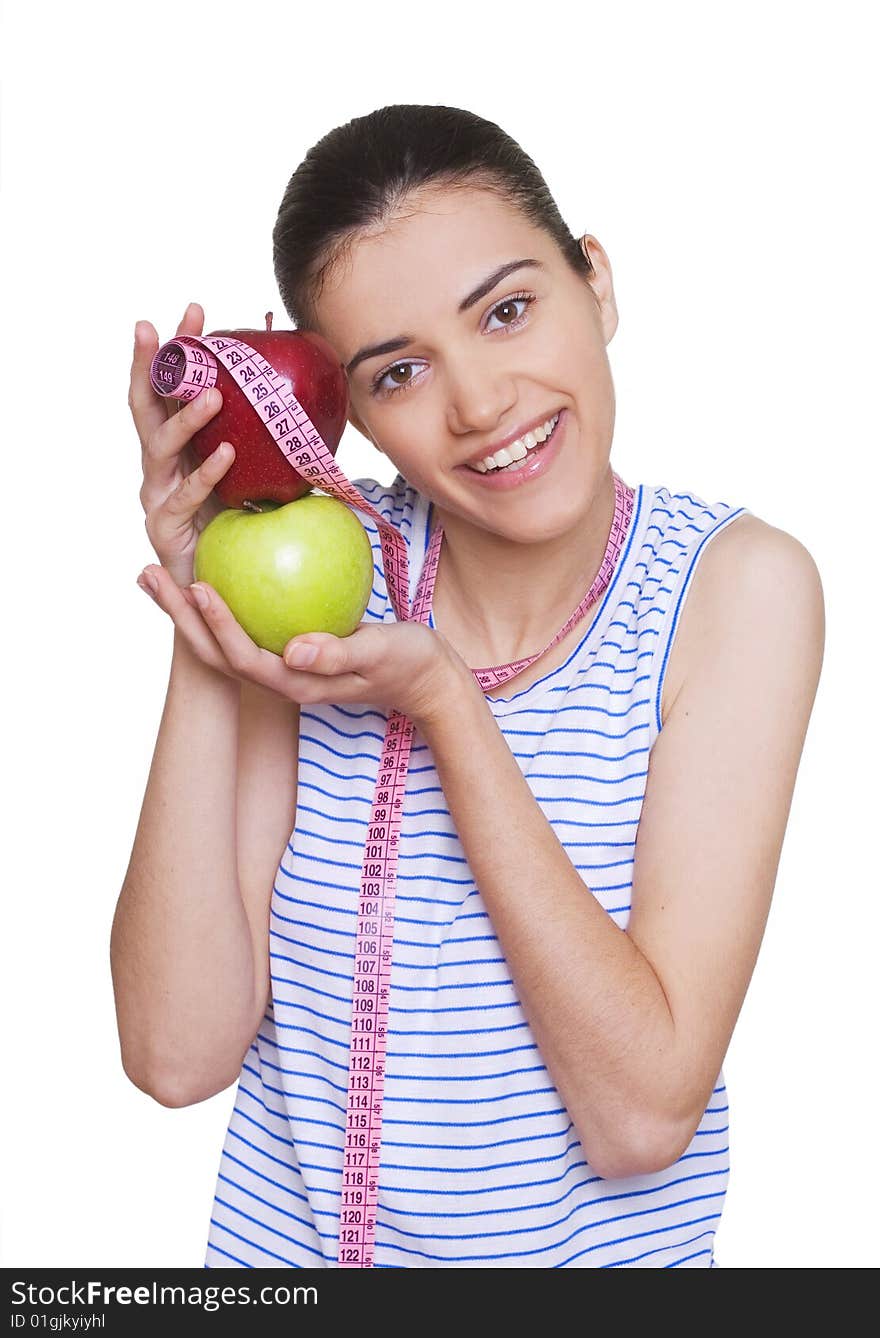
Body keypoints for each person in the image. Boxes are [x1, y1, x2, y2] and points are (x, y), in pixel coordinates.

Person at [112, 104, 825, 1269]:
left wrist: (445, 704)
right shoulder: (325, 590)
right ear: (344, 415)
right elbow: (175, 1056)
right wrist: (209, 611)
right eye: (398, 371)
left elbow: (642, 1118)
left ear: (594, 282)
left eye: (507, 309)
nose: (482, 404)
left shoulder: (732, 594)